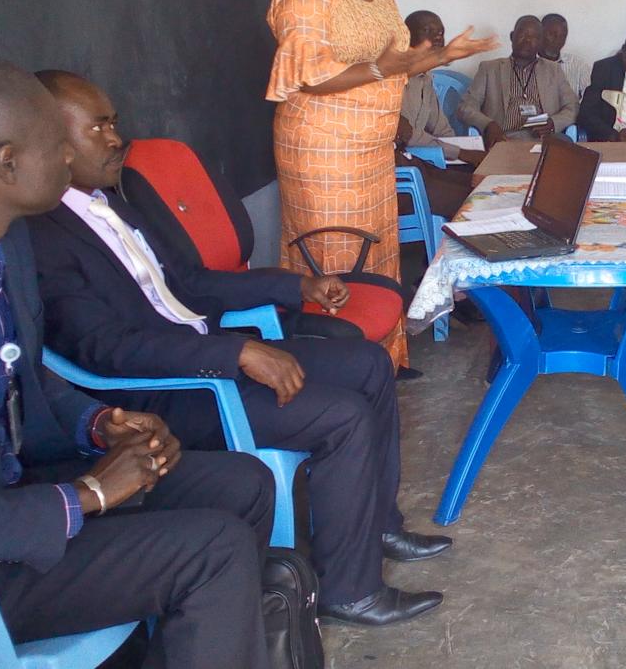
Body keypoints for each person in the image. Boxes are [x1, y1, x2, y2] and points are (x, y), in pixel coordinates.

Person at [0, 59, 276, 668]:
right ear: (7, 163)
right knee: (213, 551)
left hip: (9, 495)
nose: (70, 158)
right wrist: (86, 495)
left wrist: (99, 423)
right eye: (56, 146)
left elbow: (14, 371)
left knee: (242, 482)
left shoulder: (2, 238)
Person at [28, 72, 450, 627]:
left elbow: (190, 282)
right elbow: (103, 348)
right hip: (167, 393)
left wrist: (295, 286)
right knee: (342, 417)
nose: (115, 139)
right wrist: (235, 356)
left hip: (206, 354)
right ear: (51, 139)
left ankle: (377, 527)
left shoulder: (112, 204)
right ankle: (351, 590)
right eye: (97, 127)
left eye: (114, 123)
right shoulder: (42, 237)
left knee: (370, 364)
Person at [267, 0, 496, 370]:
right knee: (333, 251)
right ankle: (337, 365)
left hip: (372, 151)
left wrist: (442, 56)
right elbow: (309, 75)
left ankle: (382, 359)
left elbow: (398, 64)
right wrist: (381, 68)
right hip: (324, 151)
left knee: (377, 250)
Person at [396, 10, 478, 219]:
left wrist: (462, 153)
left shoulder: (426, 78)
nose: (437, 37)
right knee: (471, 200)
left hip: (418, 161)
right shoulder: (396, 78)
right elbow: (408, 133)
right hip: (403, 167)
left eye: (441, 32)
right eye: (428, 31)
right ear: (407, 35)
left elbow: (440, 126)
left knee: (478, 183)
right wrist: (460, 153)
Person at [457, 15, 579, 144]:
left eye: (534, 37)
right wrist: (488, 125)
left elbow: (573, 106)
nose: (527, 40)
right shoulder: (489, 69)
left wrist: (554, 123)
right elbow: (465, 107)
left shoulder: (554, 70)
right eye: (523, 34)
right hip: (503, 139)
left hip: (544, 140)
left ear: (541, 42)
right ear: (512, 36)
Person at [540, 13, 592, 100]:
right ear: (540, 33)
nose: (558, 40)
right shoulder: (528, 64)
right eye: (552, 34)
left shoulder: (578, 65)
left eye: (563, 36)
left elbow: (591, 98)